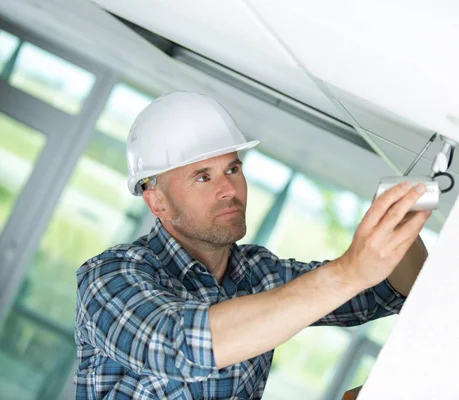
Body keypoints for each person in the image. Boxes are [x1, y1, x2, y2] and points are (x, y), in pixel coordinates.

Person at [74, 92, 431, 399]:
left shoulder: (257, 272)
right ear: (157, 203)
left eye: (233, 169)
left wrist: (401, 214)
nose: (229, 189)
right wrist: (348, 272)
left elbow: (386, 291)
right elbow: (181, 347)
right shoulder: (109, 278)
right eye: (203, 177)